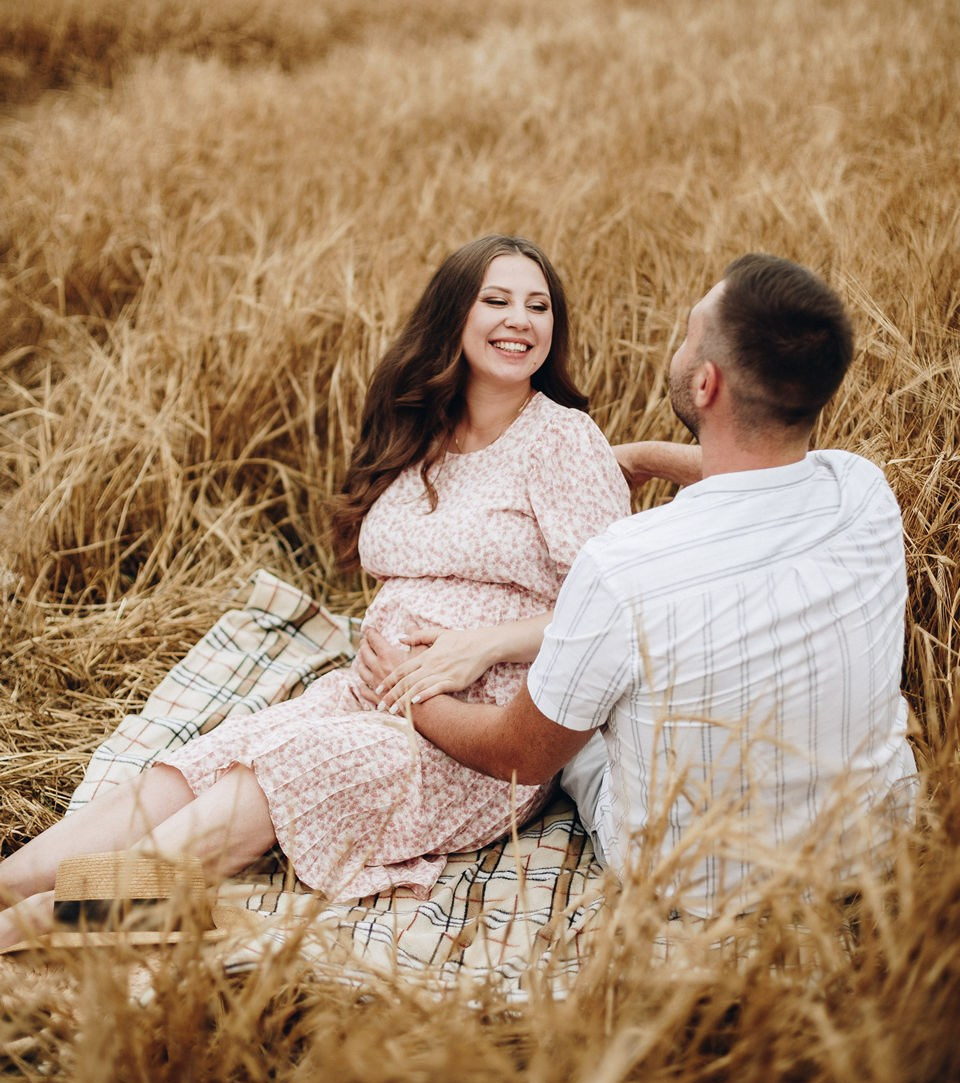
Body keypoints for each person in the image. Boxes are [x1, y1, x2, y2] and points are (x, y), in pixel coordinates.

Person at [0, 235, 634, 949]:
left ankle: (49, 923)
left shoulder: (563, 440)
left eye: (538, 305)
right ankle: (12, 887)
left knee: (298, 767)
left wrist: (476, 646)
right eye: (497, 300)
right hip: (370, 692)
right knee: (211, 758)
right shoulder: (421, 428)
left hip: (480, 728)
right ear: (453, 315)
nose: (520, 319)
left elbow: (615, 608)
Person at [383, 253, 916, 918]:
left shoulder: (623, 566)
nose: (681, 344)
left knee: (580, 720)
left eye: (692, 334)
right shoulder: (861, 490)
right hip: (868, 843)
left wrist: (410, 691)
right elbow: (764, 468)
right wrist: (642, 459)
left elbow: (516, 754)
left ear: (706, 385)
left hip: (695, 879)